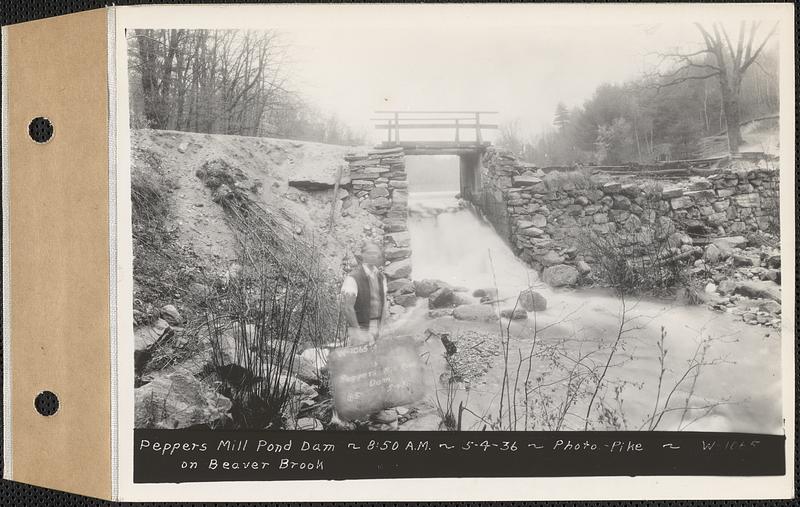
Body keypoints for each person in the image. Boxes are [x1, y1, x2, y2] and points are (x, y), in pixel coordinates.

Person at [341, 242, 389, 345]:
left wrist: (381, 328)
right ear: (362, 254)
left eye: (375, 253)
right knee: (361, 359)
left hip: (377, 326)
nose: (373, 255)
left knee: (378, 358)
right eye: (369, 253)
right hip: (359, 327)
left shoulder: (381, 277)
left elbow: (384, 305)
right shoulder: (353, 278)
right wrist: (358, 332)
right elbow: (348, 308)